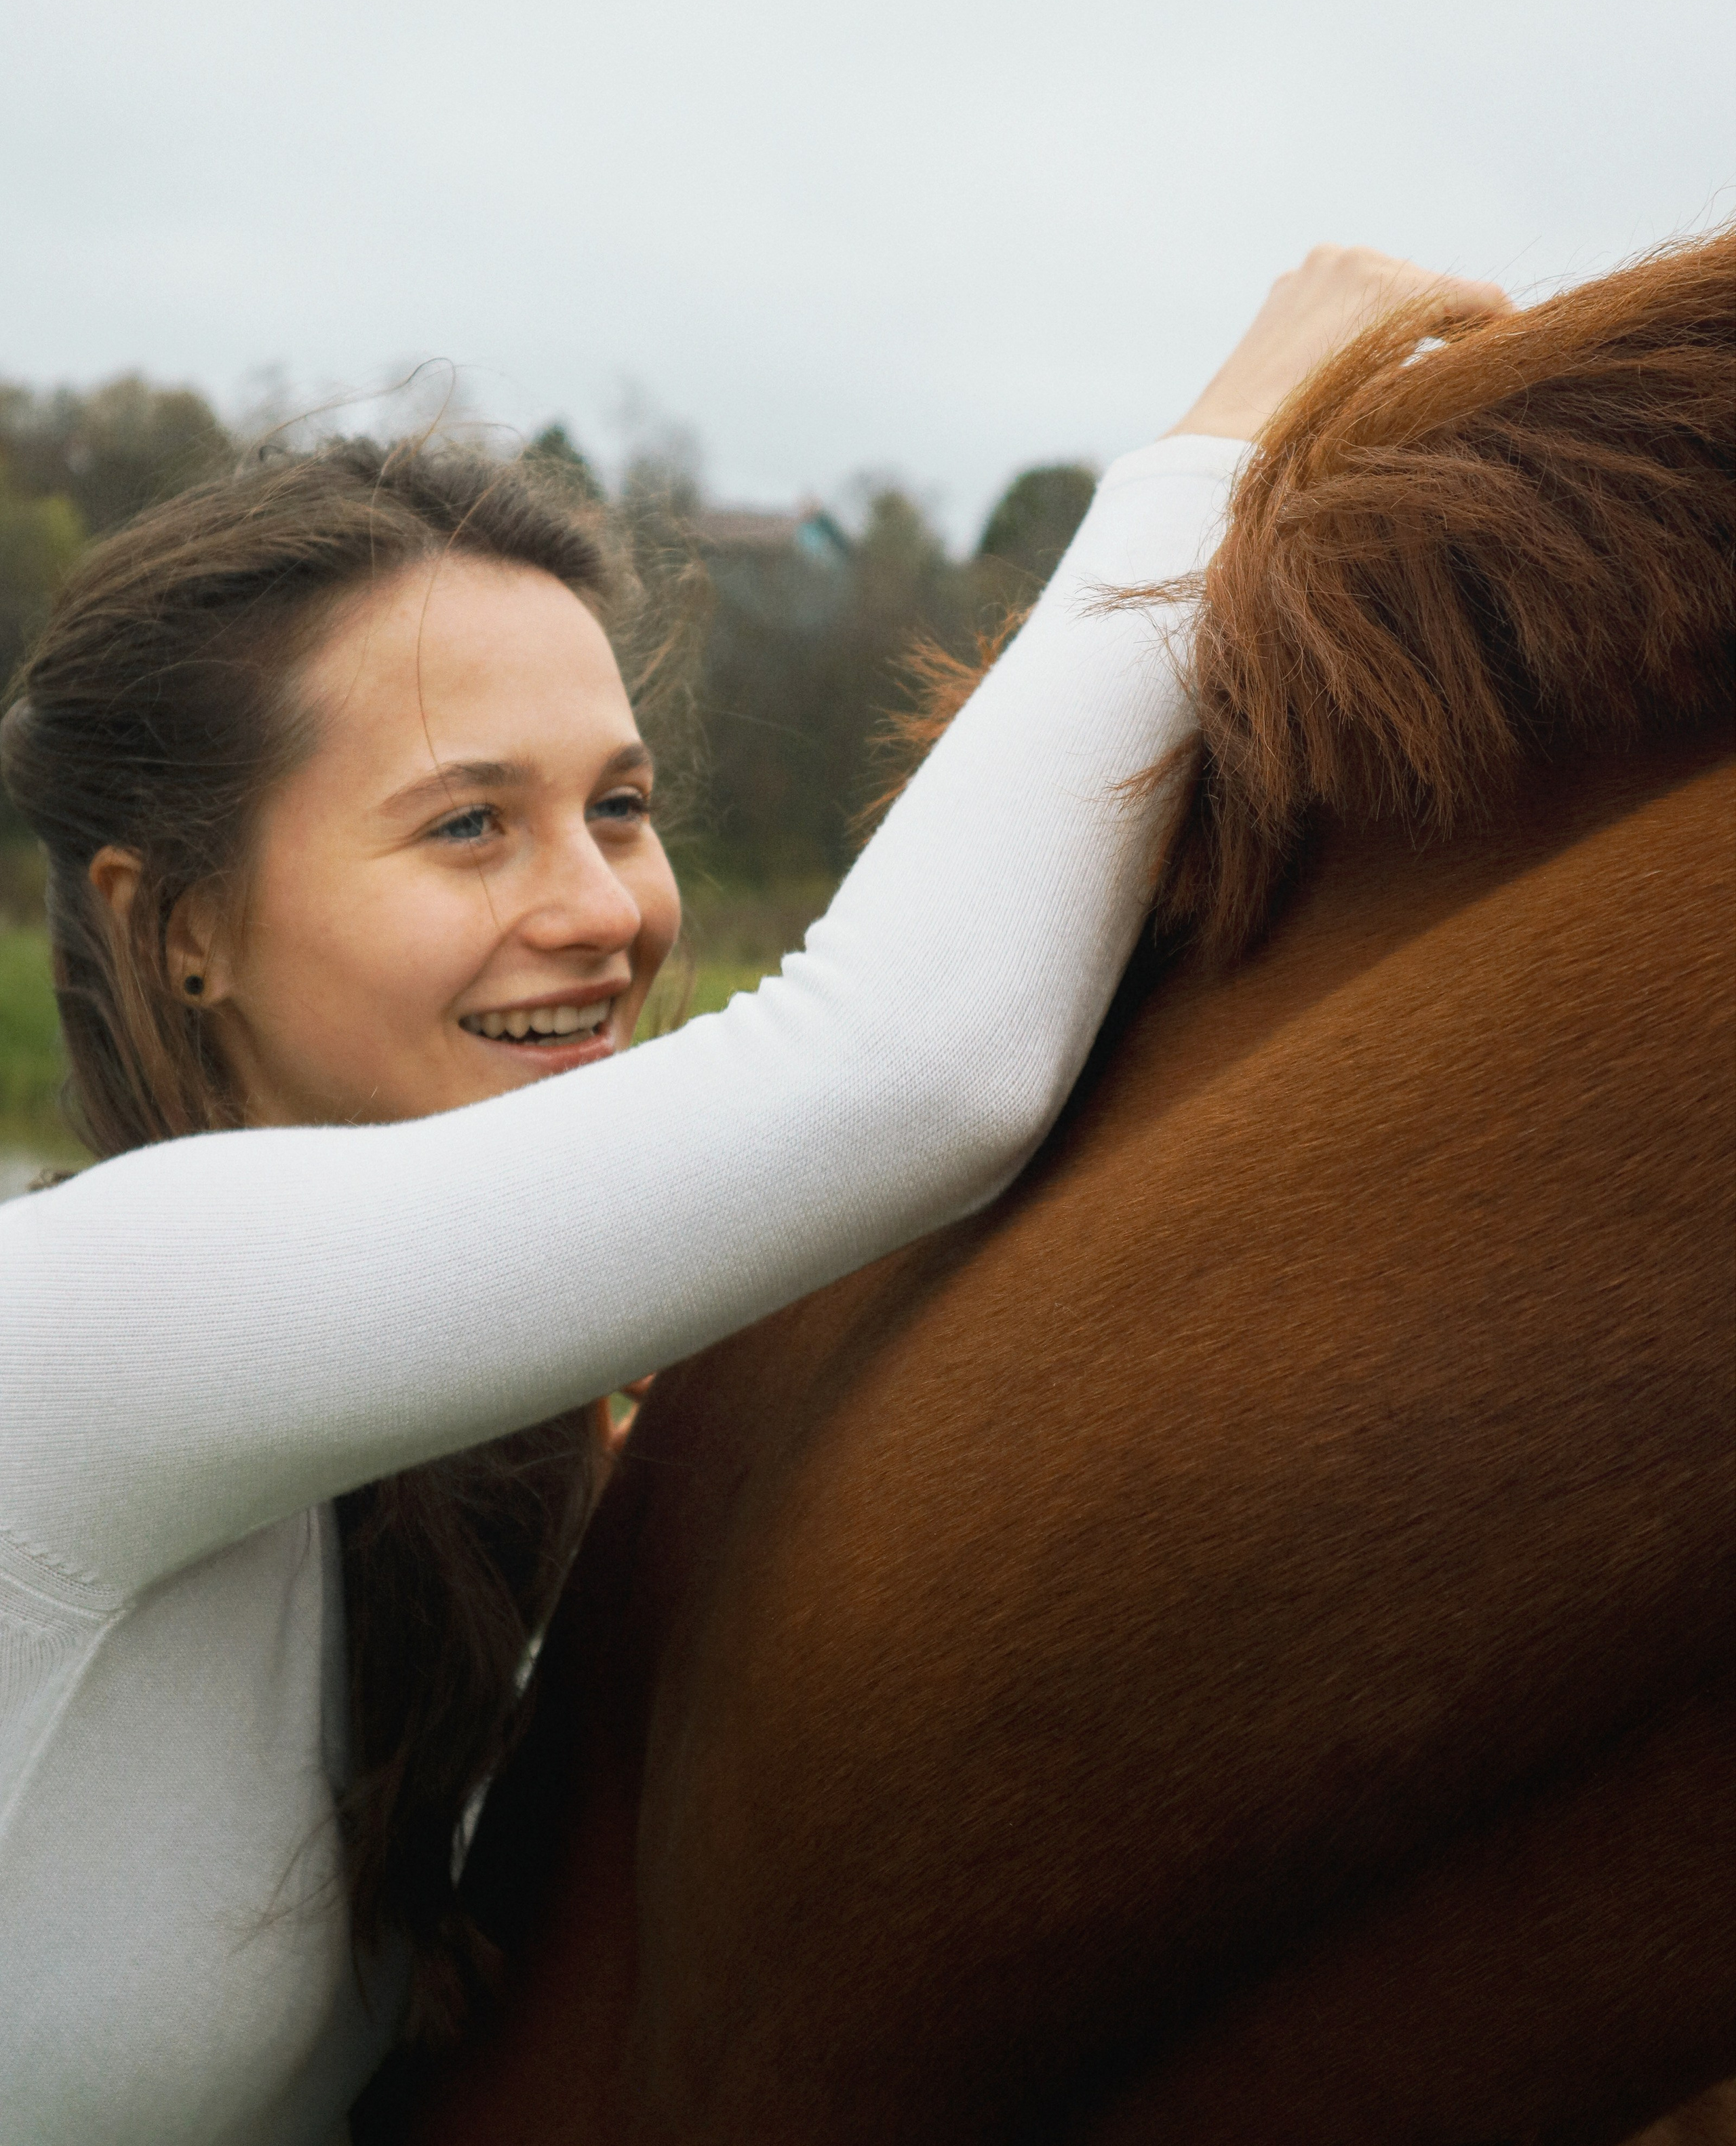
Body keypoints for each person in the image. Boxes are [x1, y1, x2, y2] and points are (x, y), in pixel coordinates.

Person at [0, 247, 1503, 2144]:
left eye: (618, 807)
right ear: (183, 925)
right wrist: (1218, 455)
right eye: (470, 822)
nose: (606, 911)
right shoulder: (72, 1330)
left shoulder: (450, 1466)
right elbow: (908, 1070)